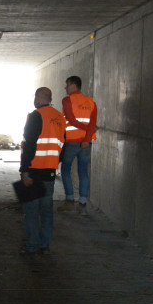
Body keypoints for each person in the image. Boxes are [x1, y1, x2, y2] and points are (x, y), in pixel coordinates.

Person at [19, 87, 66, 255]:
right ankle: (44, 245)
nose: (34, 100)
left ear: (39, 98)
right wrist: (54, 162)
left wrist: (24, 171)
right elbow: (63, 145)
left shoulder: (35, 116)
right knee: (46, 210)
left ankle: (32, 245)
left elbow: (29, 145)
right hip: (50, 172)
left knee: (31, 211)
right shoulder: (60, 117)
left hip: (34, 171)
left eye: (35, 97)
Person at [60, 75, 97, 214]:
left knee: (65, 169)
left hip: (72, 142)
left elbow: (71, 120)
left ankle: (69, 199)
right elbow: (92, 123)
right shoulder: (91, 101)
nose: (66, 87)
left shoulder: (67, 100)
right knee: (83, 171)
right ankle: (82, 202)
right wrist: (87, 139)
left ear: (74, 85)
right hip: (86, 143)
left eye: (67, 84)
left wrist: (87, 131)